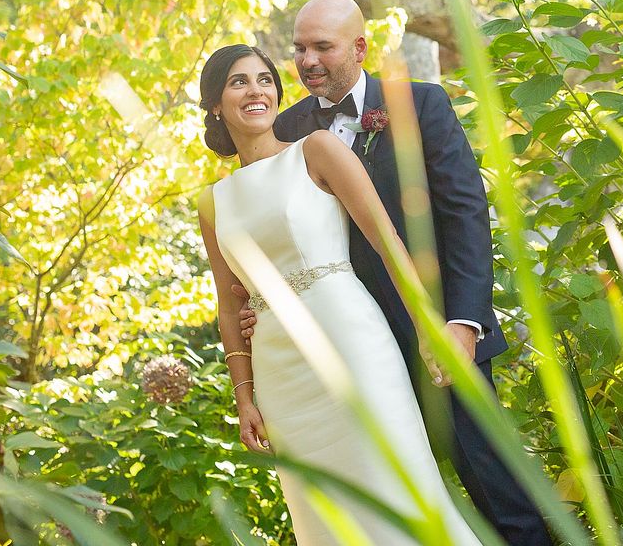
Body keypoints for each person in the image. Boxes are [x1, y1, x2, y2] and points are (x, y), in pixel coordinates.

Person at [235, 0, 551, 546]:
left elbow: (465, 216)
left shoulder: (420, 106)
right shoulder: (285, 130)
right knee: (390, 498)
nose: (306, 61)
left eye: (321, 47)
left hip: (434, 331)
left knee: (496, 486)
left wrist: (463, 322)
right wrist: (264, 306)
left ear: (360, 49)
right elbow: (268, 224)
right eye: (299, 49)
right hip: (348, 347)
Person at [197, 44, 482, 545]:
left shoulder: (318, 150)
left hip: (352, 344)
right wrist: (245, 397)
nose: (256, 90)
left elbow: (387, 241)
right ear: (216, 104)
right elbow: (230, 305)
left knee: (395, 486)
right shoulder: (213, 201)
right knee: (322, 512)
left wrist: (425, 328)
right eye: (238, 82)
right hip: (281, 374)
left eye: (264, 79)